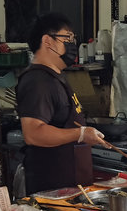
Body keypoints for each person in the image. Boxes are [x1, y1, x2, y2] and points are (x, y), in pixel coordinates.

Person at [15, 12, 106, 195]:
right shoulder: (37, 81)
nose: (73, 44)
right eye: (67, 38)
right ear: (47, 41)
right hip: (50, 188)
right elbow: (33, 133)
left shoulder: (55, 78)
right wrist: (80, 134)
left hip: (69, 185)